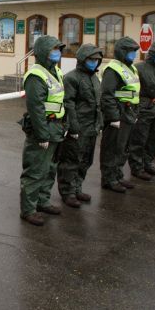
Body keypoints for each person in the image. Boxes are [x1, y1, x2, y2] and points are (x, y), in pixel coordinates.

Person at [19, 36, 66, 226]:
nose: (57, 52)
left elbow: (60, 100)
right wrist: (42, 134)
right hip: (43, 128)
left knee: (49, 169)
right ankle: (28, 210)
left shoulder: (55, 71)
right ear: (43, 52)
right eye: (53, 49)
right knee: (35, 170)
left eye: (58, 49)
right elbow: (36, 108)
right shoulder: (36, 75)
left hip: (56, 126)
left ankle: (42, 201)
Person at [56, 44, 103, 208]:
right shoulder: (72, 78)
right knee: (71, 161)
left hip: (91, 128)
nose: (94, 62)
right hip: (78, 128)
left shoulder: (94, 78)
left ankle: (77, 188)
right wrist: (73, 127)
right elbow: (69, 104)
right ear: (83, 59)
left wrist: (99, 123)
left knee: (85, 161)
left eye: (97, 60)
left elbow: (97, 104)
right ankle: (67, 192)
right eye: (91, 59)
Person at [99, 37, 141, 193]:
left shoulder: (131, 68)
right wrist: (113, 117)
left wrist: (136, 111)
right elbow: (107, 95)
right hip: (119, 113)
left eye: (135, 51)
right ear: (122, 52)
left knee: (123, 148)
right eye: (131, 51)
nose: (133, 54)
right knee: (113, 148)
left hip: (129, 112)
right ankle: (109, 179)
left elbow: (134, 91)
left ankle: (117, 175)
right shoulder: (113, 69)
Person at [128, 42, 155, 181]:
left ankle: (148, 163)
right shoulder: (138, 68)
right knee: (139, 139)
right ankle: (137, 167)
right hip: (144, 108)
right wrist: (138, 108)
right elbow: (133, 89)